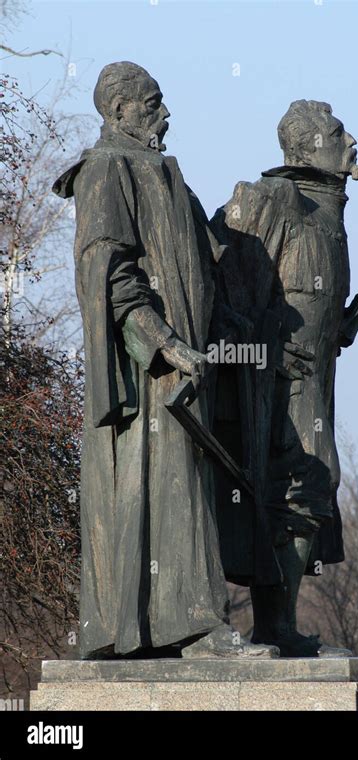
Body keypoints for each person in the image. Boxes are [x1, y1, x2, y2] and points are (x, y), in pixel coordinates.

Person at [53, 61, 278, 660]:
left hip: (189, 366)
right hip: (149, 374)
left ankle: (164, 630)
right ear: (119, 111)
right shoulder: (106, 169)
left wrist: (236, 336)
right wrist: (161, 340)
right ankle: (197, 628)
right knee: (166, 486)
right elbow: (108, 270)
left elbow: (205, 272)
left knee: (185, 488)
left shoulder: (168, 173)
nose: (165, 114)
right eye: (153, 104)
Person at [211, 100, 358, 656]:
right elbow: (221, 282)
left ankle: (276, 626)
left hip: (316, 381)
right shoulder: (274, 201)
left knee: (305, 489)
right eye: (339, 134)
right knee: (309, 479)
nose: (352, 140)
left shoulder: (329, 213)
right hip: (273, 386)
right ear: (308, 149)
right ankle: (273, 626)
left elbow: (314, 318)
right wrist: (262, 348)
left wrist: (353, 320)